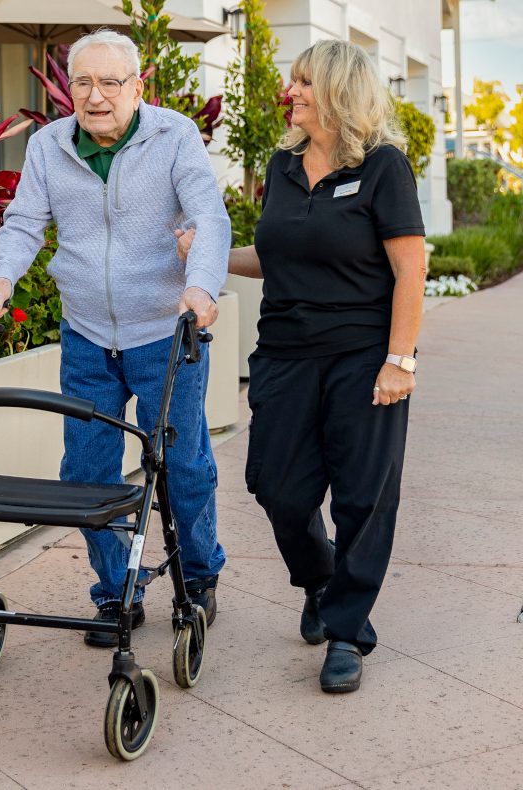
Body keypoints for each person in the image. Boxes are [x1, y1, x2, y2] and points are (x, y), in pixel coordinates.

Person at [177, 39, 425, 692]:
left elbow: (410, 267)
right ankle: (320, 579)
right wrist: (210, 252)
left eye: (304, 82)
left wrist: (400, 359)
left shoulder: (383, 168)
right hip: (285, 352)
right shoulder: (282, 166)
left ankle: (346, 631)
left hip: (363, 356)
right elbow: (276, 252)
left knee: (361, 497)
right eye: (293, 82)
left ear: (339, 90)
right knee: (274, 483)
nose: (292, 92)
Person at [0, 30, 230, 647]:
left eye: (110, 83)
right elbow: (24, 222)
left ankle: (199, 577)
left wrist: (201, 290)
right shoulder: (48, 146)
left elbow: (209, 218)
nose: (94, 97)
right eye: (82, 83)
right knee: (86, 475)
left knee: (182, 464)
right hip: (87, 333)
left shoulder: (173, 137)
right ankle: (118, 591)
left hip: (164, 331)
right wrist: (1, 279)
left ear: (137, 86)